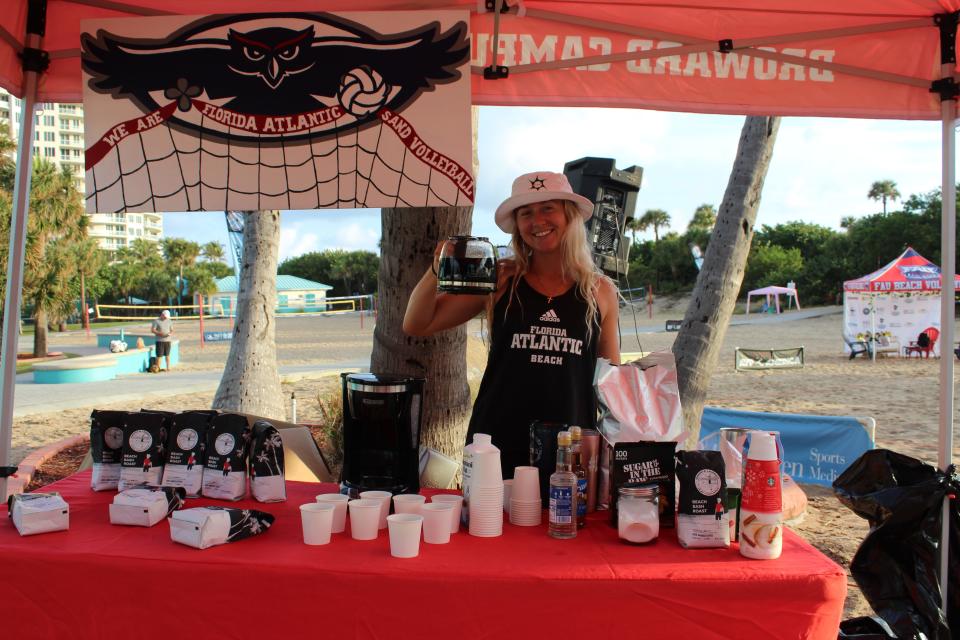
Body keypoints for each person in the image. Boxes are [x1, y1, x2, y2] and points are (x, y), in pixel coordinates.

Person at [403, 171, 620, 473]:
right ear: (517, 226)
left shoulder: (600, 291)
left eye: (548, 208)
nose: (537, 221)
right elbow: (417, 324)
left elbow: (612, 384)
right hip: (495, 442)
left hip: (570, 447)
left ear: (569, 215)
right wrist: (435, 268)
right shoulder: (502, 279)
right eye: (526, 213)